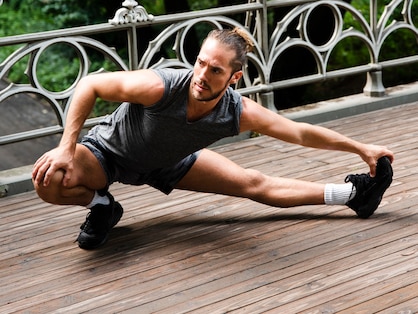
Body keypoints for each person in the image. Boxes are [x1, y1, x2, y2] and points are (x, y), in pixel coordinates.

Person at [32, 27, 394, 250]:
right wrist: (67, 148)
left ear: (234, 78)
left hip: (170, 163)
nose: (202, 75)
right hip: (109, 154)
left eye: (215, 70)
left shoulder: (237, 111)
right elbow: (91, 84)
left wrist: (360, 148)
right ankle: (102, 207)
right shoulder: (161, 86)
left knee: (256, 185)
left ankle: (354, 194)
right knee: (49, 179)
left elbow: (299, 132)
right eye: (200, 63)